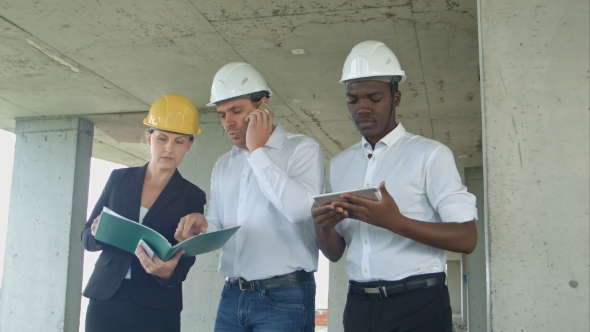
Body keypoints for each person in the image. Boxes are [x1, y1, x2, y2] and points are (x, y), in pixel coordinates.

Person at [312, 40, 478, 332]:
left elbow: (466, 238)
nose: (362, 108)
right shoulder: (339, 164)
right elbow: (335, 253)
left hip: (419, 303)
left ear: (396, 97)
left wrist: (395, 222)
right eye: (353, 99)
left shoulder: (430, 155)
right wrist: (322, 226)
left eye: (374, 98)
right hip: (360, 305)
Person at [175, 62, 324, 332]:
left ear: (263, 106)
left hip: (285, 298)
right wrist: (203, 225)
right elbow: (218, 223)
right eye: (222, 115)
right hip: (232, 295)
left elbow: (299, 210)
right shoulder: (224, 164)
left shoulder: (302, 149)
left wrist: (257, 151)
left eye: (236, 111)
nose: (228, 122)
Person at [81, 93, 207, 332]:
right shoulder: (118, 179)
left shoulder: (193, 195)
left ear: (190, 145)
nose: (169, 148)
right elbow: (86, 236)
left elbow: (187, 256)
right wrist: (98, 232)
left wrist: (169, 272)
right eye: (162, 138)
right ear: (149, 138)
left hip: (156, 303)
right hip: (106, 297)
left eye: (179, 141)